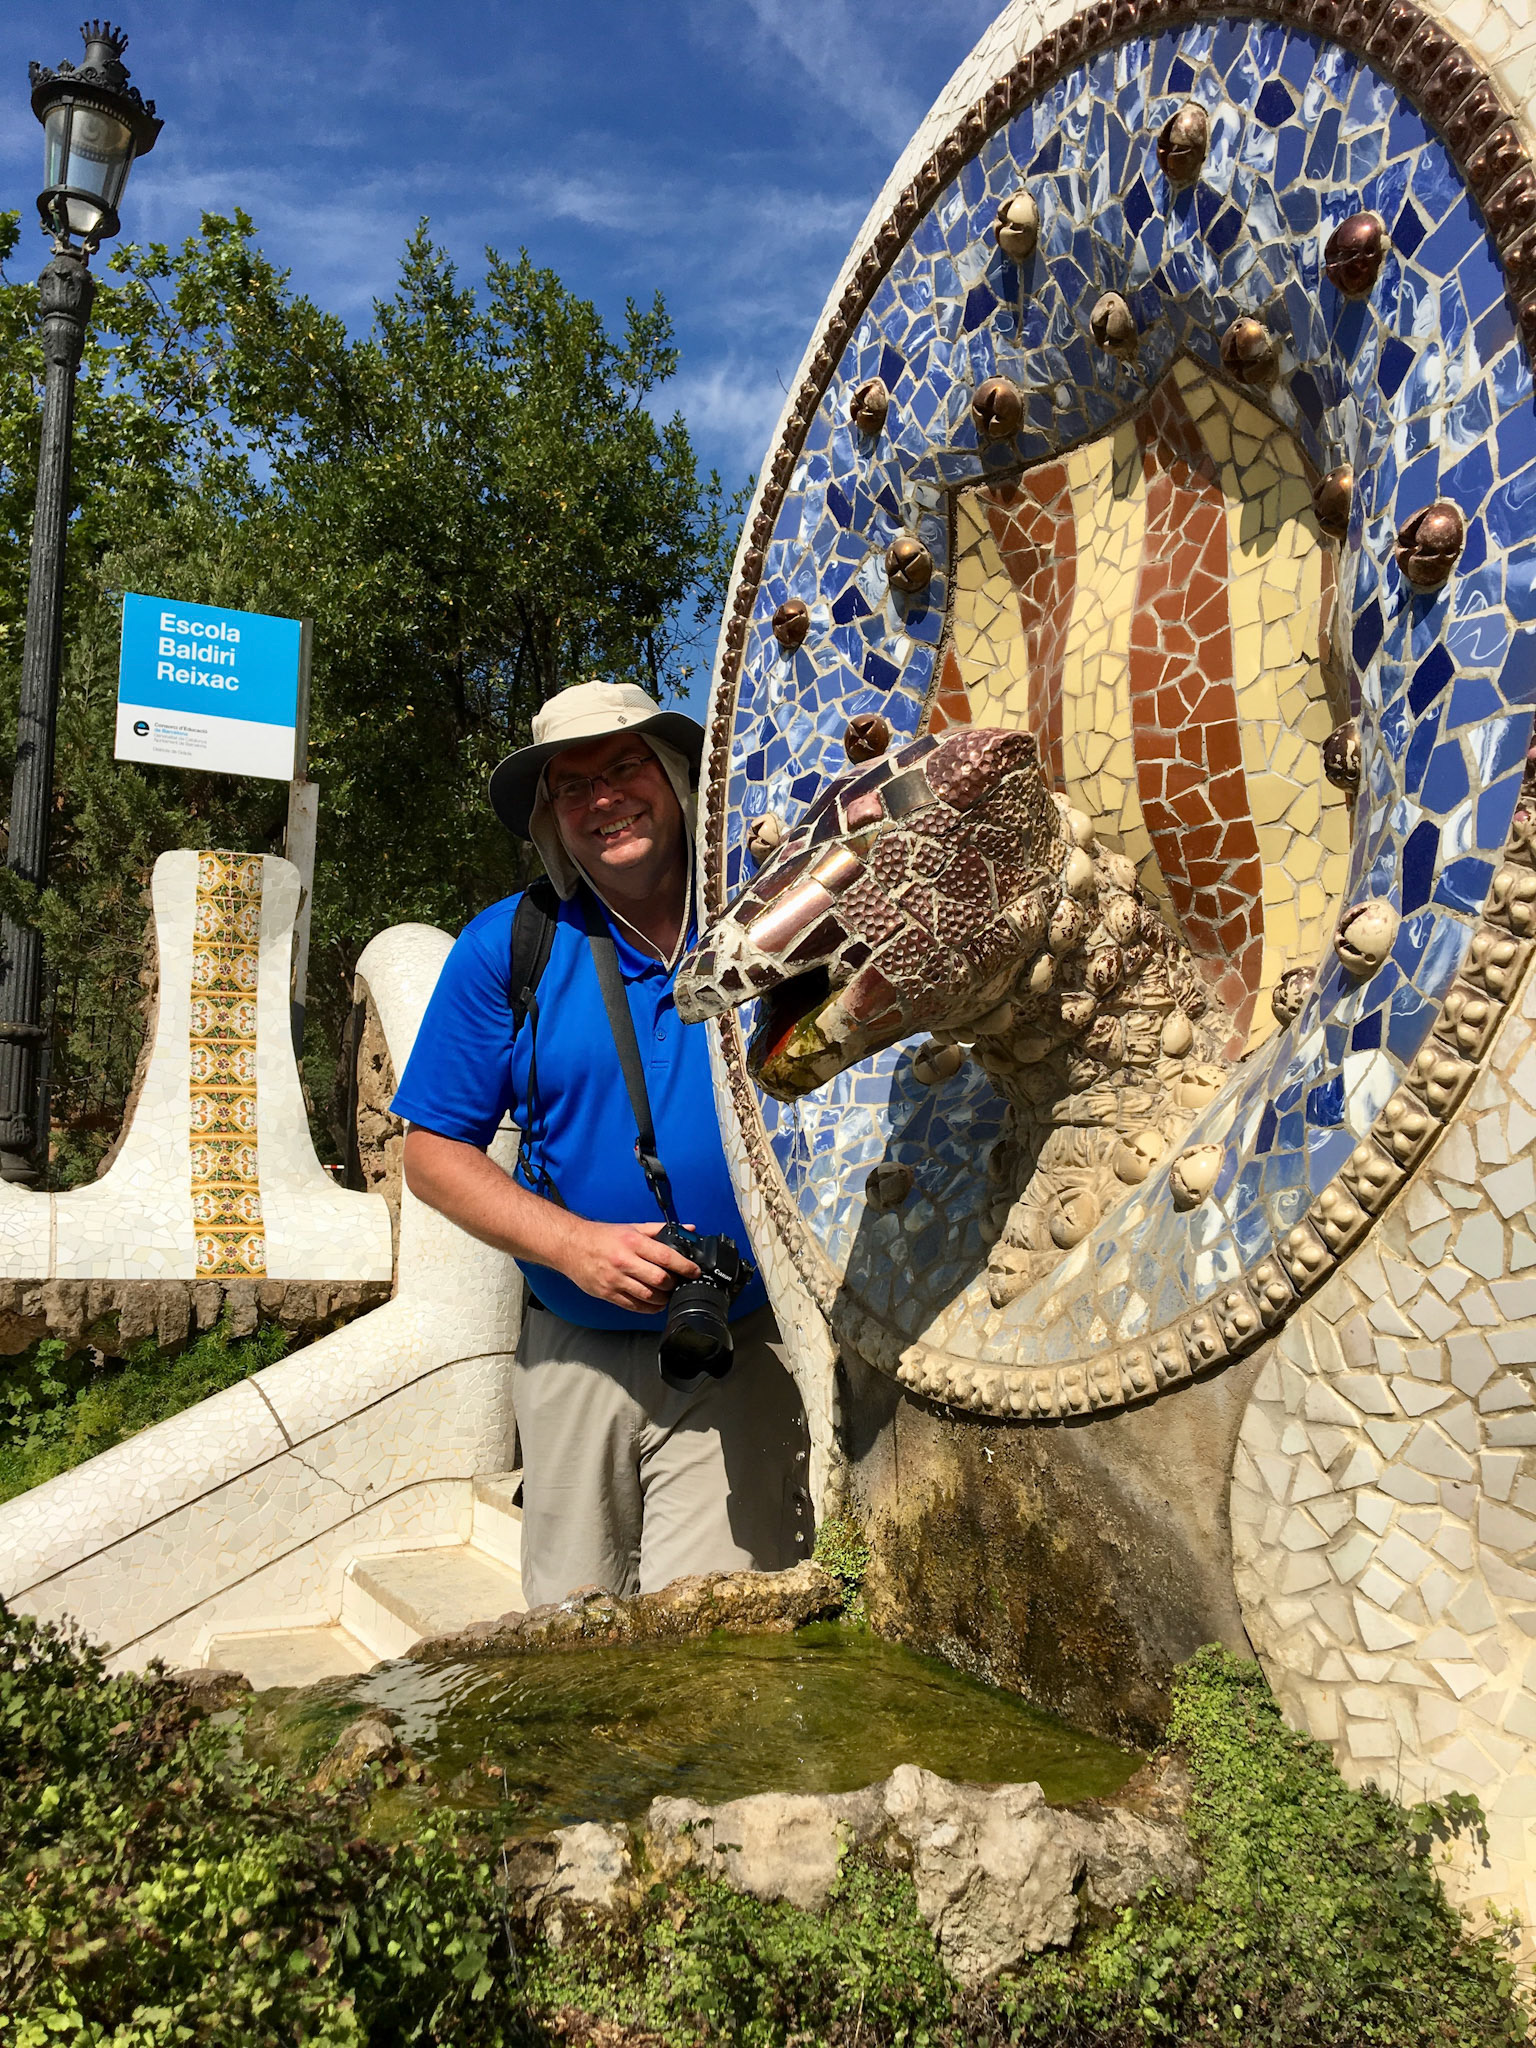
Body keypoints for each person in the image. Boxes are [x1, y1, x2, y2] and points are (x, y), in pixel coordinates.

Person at [392, 677, 810, 1608]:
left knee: (718, 1641)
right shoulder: (509, 946)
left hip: (741, 1347)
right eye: (573, 786)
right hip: (572, 1355)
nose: (604, 799)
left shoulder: (773, 926)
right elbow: (432, 1154)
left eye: (625, 768)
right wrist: (572, 1246)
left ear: (677, 778)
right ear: (552, 818)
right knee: (573, 1638)